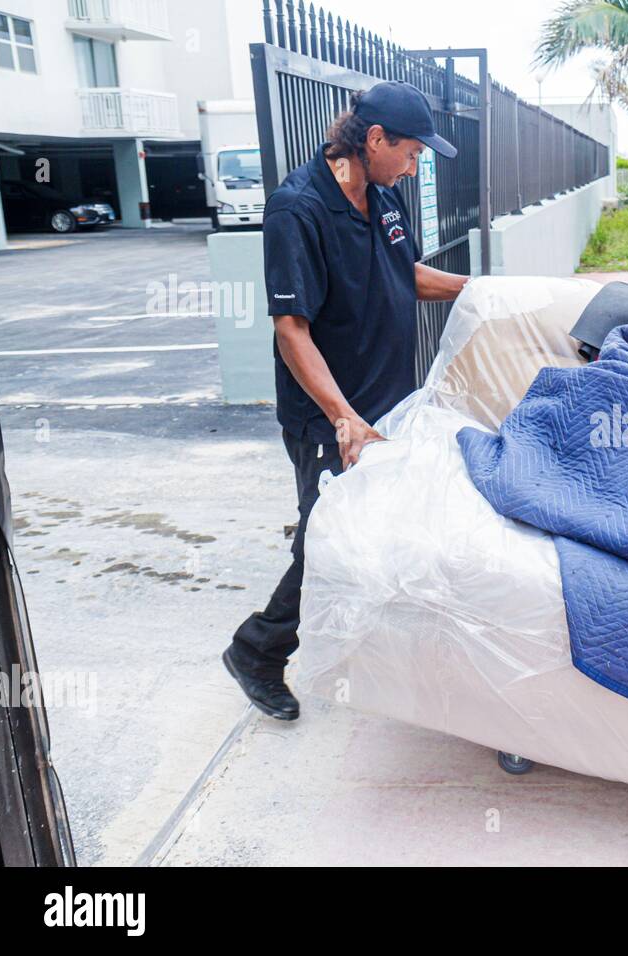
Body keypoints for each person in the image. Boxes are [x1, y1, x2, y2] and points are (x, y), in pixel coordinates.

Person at [222, 81, 468, 721]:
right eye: (411, 153)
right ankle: (258, 651)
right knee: (327, 542)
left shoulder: (385, 199)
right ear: (375, 140)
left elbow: (406, 274)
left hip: (386, 406)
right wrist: (344, 418)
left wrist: (482, 293)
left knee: (376, 532)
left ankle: (374, 652)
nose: (415, 168)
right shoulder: (296, 209)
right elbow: (291, 329)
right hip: (330, 419)